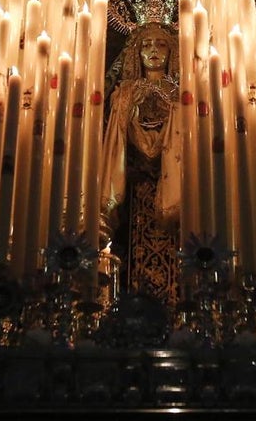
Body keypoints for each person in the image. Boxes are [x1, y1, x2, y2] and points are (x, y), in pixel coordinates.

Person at [101, 21, 184, 305]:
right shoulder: (124, 94)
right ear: (136, 53)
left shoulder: (181, 94)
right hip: (134, 188)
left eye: (161, 45)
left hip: (174, 182)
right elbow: (116, 137)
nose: (153, 51)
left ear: (172, 52)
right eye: (146, 45)